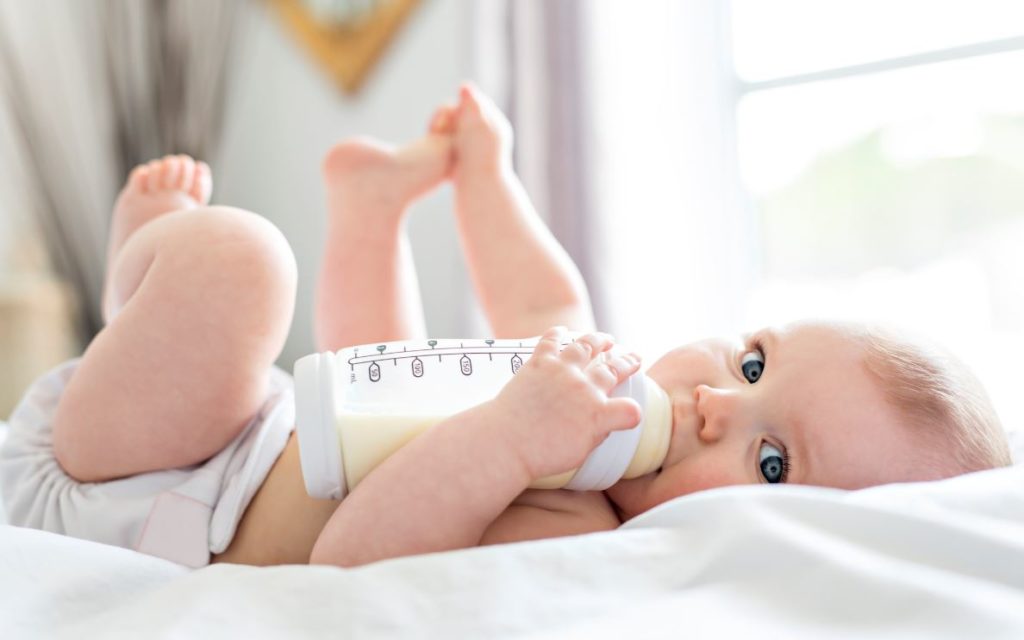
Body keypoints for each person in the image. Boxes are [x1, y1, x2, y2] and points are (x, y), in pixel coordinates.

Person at [0, 85, 1011, 569]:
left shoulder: (570, 529)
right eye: (750, 362)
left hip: (135, 501)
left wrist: (508, 437)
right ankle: (356, 215)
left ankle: (152, 275)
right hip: (238, 429)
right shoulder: (595, 400)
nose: (711, 403)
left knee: (243, 267)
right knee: (384, 370)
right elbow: (539, 305)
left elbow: (350, 555)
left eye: (773, 459)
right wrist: (486, 176)